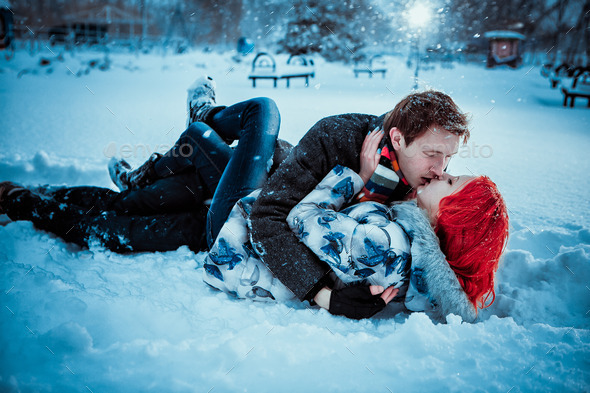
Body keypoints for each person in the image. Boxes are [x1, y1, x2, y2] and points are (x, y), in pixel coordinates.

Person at [202, 130, 509, 322]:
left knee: (257, 118)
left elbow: (302, 216)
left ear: (452, 218)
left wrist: (358, 177)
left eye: (451, 181)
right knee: (219, 156)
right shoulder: (409, 248)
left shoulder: (388, 249)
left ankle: (201, 117)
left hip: (239, 239)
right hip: (248, 228)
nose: (442, 172)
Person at [247, 90, 472, 319]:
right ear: (397, 139)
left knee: (271, 144)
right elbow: (264, 216)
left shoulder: (424, 180)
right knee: (262, 112)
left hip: (286, 171)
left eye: (448, 157)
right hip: (243, 204)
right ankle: (208, 113)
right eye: (431, 153)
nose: (440, 170)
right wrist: (322, 294)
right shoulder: (335, 137)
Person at [0, 76, 288, 252]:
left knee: (115, 225)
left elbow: (99, 230)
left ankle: (24, 199)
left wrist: (22, 202)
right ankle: (51, 189)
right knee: (124, 202)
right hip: (233, 190)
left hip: (240, 222)